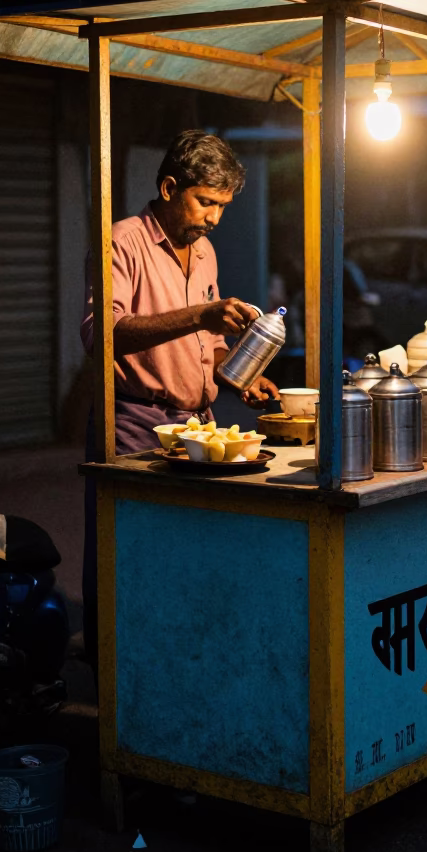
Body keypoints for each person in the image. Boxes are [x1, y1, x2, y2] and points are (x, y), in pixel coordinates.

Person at [80, 130, 279, 665]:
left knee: (186, 556)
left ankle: (176, 665)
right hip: (134, 424)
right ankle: (113, 678)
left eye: (222, 206)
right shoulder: (122, 242)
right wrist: (202, 315)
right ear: (170, 187)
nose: (214, 217)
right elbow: (104, 333)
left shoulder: (205, 252)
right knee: (130, 557)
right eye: (206, 202)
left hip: (197, 426)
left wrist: (237, 375)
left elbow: (209, 343)